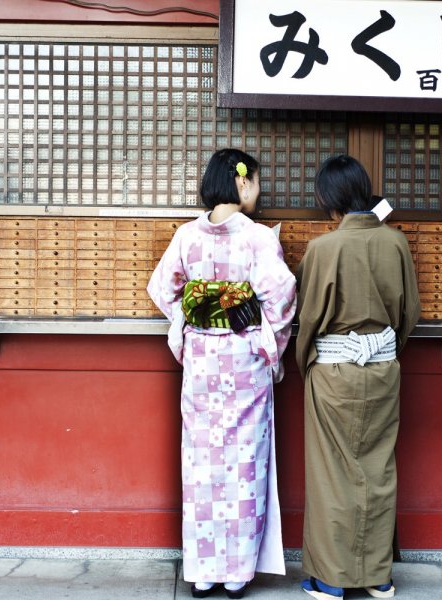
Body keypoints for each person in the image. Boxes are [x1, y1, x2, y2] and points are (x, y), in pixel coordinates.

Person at [147, 148, 297, 599]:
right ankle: (236, 574)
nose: (259, 189)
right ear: (242, 182)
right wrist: (264, 340)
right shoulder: (257, 238)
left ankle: (203, 571)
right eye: (256, 181)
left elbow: (162, 288)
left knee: (202, 464)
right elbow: (283, 295)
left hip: (201, 363)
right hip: (244, 358)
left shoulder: (186, 236)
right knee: (244, 463)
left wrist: (191, 320)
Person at [295, 155, 421, 599]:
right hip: (384, 369)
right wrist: (382, 351)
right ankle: (377, 577)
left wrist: (305, 363)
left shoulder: (322, 249)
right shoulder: (396, 244)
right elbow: (409, 316)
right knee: (378, 469)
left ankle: (331, 580)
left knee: (333, 474)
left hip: (333, 372)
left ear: (328, 200)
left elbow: (308, 320)